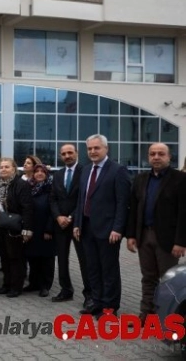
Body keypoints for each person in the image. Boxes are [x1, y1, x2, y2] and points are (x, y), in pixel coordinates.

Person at [127, 143, 186, 322]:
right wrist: (131, 235)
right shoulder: (141, 178)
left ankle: (167, 319)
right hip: (144, 235)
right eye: (153, 154)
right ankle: (146, 314)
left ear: (169, 157)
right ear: (148, 157)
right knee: (148, 278)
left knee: (168, 280)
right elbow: (134, 208)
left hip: (168, 239)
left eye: (161, 154)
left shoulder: (180, 179)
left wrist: (181, 242)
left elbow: (184, 212)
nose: (156, 157)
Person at [73, 134, 130, 317]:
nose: (92, 152)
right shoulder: (86, 170)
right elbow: (81, 199)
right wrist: (77, 223)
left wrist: (118, 228)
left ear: (106, 149)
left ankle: (109, 307)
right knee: (93, 268)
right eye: (89, 148)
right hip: (87, 227)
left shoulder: (118, 170)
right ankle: (95, 303)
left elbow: (123, 202)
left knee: (109, 269)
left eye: (96, 148)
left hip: (108, 230)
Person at [49, 144, 91, 306]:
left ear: (77, 154)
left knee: (84, 260)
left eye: (70, 153)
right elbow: (52, 198)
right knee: (62, 260)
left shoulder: (85, 172)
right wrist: (58, 216)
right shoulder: (58, 175)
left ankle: (89, 294)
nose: (67, 156)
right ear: (60, 156)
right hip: (60, 225)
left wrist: (71, 217)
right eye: (64, 154)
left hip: (78, 224)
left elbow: (84, 198)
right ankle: (66, 290)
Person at [0, 157, 34, 298]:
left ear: (14, 169)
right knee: (4, 257)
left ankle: (16, 287)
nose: (3, 169)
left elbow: (27, 208)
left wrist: (27, 229)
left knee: (16, 258)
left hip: (15, 228)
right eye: (1, 167)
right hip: (2, 227)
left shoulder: (20, 184)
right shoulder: (1, 185)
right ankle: (7, 284)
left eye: (7, 167)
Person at [23, 164, 55, 298]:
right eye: (37, 171)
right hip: (32, 228)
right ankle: (33, 283)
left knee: (46, 260)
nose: (39, 174)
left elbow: (53, 211)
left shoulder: (51, 189)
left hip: (45, 230)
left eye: (43, 172)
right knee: (32, 258)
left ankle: (45, 286)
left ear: (47, 174)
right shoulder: (29, 188)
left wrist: (49, 229)